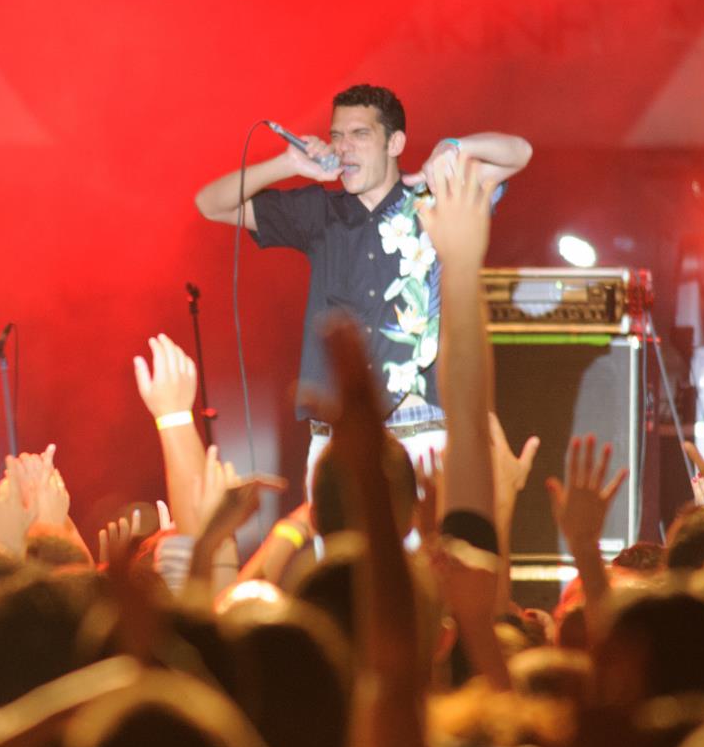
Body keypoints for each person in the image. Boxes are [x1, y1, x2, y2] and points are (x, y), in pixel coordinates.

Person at [193, 84, 531, 485]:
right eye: (337, 135)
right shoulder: (320, 212)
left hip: (421, 434)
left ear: (394, 143)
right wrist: (287, 164)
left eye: (359, 134)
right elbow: (210, 204)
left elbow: (519, 153)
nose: (344, 147)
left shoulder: (433, 199)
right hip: (337, 440)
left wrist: (456, 146)